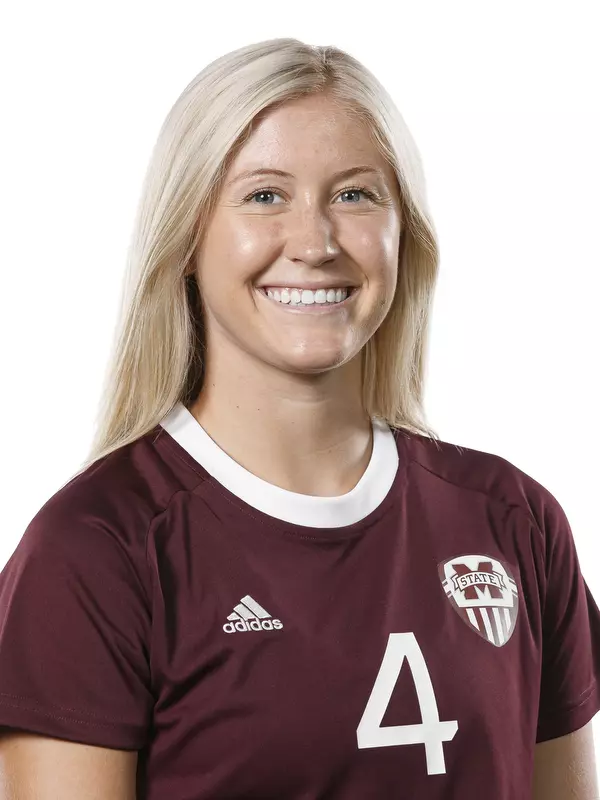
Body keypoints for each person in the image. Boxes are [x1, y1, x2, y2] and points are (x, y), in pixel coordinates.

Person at [0, 37, 598, 800]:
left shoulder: (514, 522)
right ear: (186, 237)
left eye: (354, 195)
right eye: (263, 196)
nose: (314, 243)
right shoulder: (96, 550)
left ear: (402, 232)